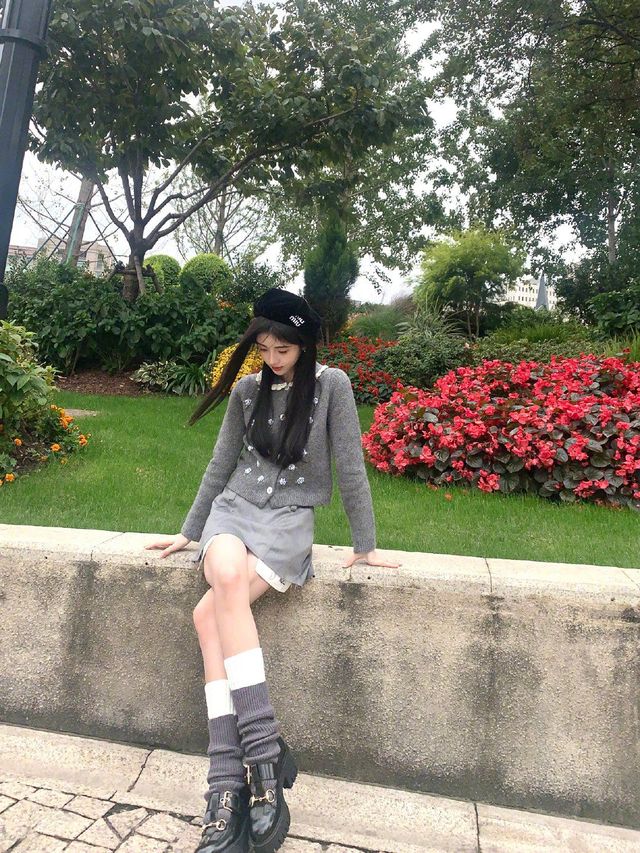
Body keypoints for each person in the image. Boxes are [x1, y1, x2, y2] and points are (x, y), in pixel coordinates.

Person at [145, 288, 401, 853]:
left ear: (304, 345)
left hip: (288, 522)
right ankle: (261, 759)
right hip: (232, 512)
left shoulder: (333, 386)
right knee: (225, 575)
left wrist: (365, 544)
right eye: (264, 349)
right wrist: (190, 530)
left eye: (283, 349)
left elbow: (350, 466)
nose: (273, 358)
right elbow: (221, 464)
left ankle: (225, 778)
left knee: (207, 617)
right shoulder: (246, 392)